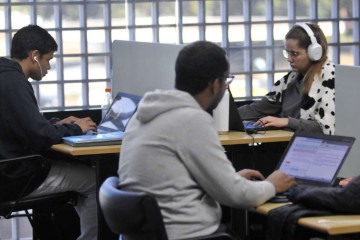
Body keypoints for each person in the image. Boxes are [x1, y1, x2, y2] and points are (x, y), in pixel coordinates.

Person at [117, 41, 296, 239]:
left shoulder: (143, 113)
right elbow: (237, 195)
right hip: (189, 235)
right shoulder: (191, 119)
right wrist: (272, 185)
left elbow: (173, 181)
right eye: (227, 80)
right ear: (215, 85)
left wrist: (231, 179)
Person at [0, 25, 98, 240]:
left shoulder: (5, 75)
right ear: (34, 56)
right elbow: (39, 136)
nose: (49, 67)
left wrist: (57, 123)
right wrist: (75, 128)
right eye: (48, 59)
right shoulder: (14, 82)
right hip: (14, 177)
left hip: (7, 170)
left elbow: (21, 124)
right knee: (94, 180)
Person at [238, 23, 335, 135]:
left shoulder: (330, 79)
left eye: (294, 54)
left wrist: (286, 122)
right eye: (287, 53)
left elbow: (326, 128)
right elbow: (260, 108)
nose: (289, 59)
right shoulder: (291, 79)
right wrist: (228, 116)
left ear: (314, 53)